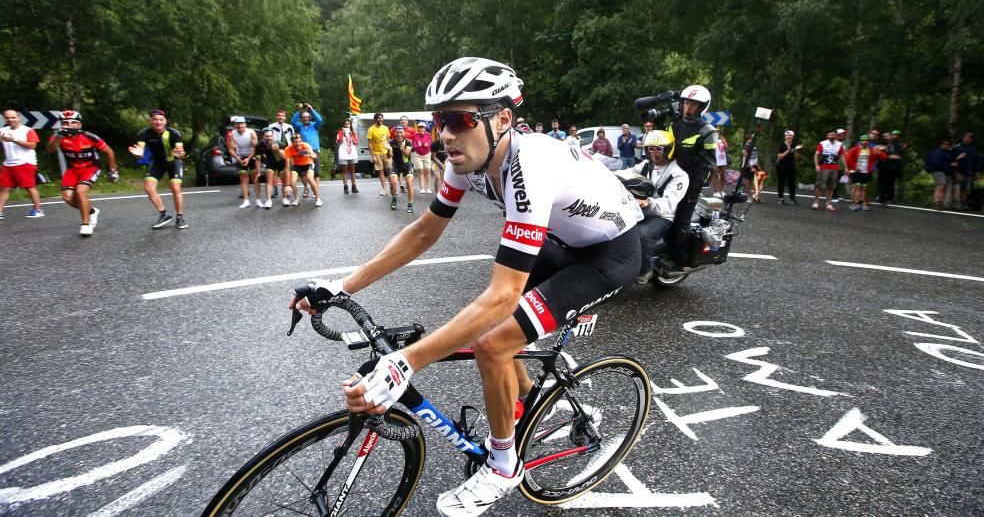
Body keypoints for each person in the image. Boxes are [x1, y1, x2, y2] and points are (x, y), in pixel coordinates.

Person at [292, 56, 642, 517]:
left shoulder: (530, 163)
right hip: (560, 241)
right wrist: (342, 285)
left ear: (502, 119)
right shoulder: (466, 158)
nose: (445, 134)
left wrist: (406, 362)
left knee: (493, 341)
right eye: (440, 120)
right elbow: (424, 231)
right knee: (494, 328)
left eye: (459, 120)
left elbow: (501, 295)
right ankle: (517, 408)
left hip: (609, 252)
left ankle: (503, 466)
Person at [664, 85, 718, 270]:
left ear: (702, 107)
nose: (688, 107)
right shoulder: (674, 125)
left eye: (694, 104)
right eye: (686, 102)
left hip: (689, 185)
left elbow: (707, 165)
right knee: (662, 215)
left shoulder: (708, 131)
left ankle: (677, 261)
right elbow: (665, 151)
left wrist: (694, 191)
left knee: (680, 221)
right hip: (668, 179)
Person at [625, 130, 689, 284]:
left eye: (659, 149)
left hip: (663, 216)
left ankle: (645, 270)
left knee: (642, 234)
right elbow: (628, 173)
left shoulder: (678, 175)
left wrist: (649, 202)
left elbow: (669, 203)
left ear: (668, 149)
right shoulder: (647, 165)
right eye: (651, 149)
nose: (654, 153)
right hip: (641, 210)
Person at [47, 110, 118, 236]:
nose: (69, 125)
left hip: (90, 168)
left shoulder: (89, 136)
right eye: (65, 122)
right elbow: (51, 149)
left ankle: (86, 225)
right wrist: (58, 136)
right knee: (67, 197)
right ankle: (91, 211)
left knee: (80, 191)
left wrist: (112, 170)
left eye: (73, 122)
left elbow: (109, 151)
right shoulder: (58, 136)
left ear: (79, 125)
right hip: (73, 169)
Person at [128, 109, 187, 229]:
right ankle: (163, 214)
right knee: (148, 187)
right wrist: (138, 154)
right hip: (158, 163)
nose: (158, 122)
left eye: (161, 120)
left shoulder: (174, 133)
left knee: (175, 188)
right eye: (155, 119)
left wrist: (179, 154)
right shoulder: (144, 133)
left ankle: (180, 217)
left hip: (173, 162)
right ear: (150, 121)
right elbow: (140, 150)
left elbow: (181, 153)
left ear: (165, 121)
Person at [0, 109, 44, 220]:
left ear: (18, 118)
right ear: (4, 118)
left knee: (29, 187)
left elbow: (32, 145)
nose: (10, 120)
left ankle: (38, 210)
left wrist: (13, 139)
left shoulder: (28, 130)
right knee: (4, 188)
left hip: (25, 162)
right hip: (8, 164)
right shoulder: (2, 130)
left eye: (13, 117)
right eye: (7, 118)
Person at [845, 133, 886, 211]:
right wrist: (854, 167)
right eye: (863, 140)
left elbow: (884, 158)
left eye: (867, 141)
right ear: (860, 141)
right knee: (856, 187)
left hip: (865, 171)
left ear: (869, 142)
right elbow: (848, 159)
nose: (865, 142)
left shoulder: (871, 150)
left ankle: (861, 203)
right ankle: (853, 203)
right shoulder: (855, 149)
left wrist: (879, 152)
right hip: (856, 171)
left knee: (863, 188)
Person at [292, 103, 323, 197]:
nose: (305, 118)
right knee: (303, 172)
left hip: (314, 150)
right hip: (303, 150)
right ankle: (306, 188)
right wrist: (299, 111)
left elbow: (320, 119)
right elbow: (293, 122)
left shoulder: (314, 125)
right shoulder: (300, 126)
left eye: (307, 117)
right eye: (304, 117)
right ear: (302, 118)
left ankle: (315, 190)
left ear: (310, 118)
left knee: (316, 172)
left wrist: (311, 109)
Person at [227, 116, 259, 208]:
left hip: (251, 155)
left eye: (242, 124)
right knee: (243, 177)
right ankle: (246, 200)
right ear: (235, 125)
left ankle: (258, 200)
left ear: (245, 124)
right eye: (238, 124)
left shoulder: (251, 132)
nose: (240, 126)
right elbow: (231, 149)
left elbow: (255, 147)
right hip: (240, 156)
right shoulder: (232, 134)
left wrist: (249, 158)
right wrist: (238, 159)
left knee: (255, 177)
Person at [283, 133, 322, 207]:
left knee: (310, 178)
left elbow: (315, 156)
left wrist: (310, 155)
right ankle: (296, 199)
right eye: (295, 142)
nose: (298, 143)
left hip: (308, 163)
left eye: (299, 141)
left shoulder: (305, 146)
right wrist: (287, 184)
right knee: (292, 180)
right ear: (292, 142)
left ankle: (318, 198)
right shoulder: (288, 149)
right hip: (297, 165)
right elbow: (287, 166)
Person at [813, 129, 847, 211]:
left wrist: (846, 167)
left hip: (834, 167)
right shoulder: (822, 143)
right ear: (827, 136)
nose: (832, 136)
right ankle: (816, 202)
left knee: (831, 187)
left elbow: (842, 156)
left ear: (836, 136)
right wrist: (817, 165)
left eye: (833, 135)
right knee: (820, 185)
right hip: (824, 167)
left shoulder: (839, 144)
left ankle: (828, 203)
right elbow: (816, 154)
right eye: (830, 135)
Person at [267, 109, 296, 197]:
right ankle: (275, 189)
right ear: (276, 116)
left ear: (285, 117)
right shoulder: (271, 126)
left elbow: (293, 138)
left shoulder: (289, 126)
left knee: (287, 169)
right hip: (275, 148)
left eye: (282, 115)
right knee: (275, 170)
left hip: (287, 149)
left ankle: (288, 188)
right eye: (279, 115)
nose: (280, 117)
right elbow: (269, 137)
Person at [253, 128, 285, 209]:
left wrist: (277, 150)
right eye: (266, 136)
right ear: (263, 136)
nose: (269, 138)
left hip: (281, 162)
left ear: (273, 136)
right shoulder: (260, 145)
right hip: (270, 162)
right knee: (268, 179)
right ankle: (268, 200)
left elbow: (284, 157)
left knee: (283, 179)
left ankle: (284, 198)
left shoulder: (278, 143)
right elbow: (258, 159)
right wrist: (258, 172)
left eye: (270, 136)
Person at [388, 125, 415, 213]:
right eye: (397, 132)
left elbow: (407, 154)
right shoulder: (391, 142)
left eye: (401, 132)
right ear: (394, 133)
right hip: (396, 165)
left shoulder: (408, 142)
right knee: (393, 183)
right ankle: (394, 198)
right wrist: (389, 150)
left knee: (409, 183)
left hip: (407, 165)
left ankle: (410, 204)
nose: (399, 134)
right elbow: (389, 156)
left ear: (404, 133)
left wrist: (402, 148)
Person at [876, 129, 906, 204]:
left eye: (888, 135)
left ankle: (889, 197)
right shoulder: (881, 143)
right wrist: (888, 155)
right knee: (882, 182)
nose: (886, 137)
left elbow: (898, 154)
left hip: (892, 167)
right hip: (883, 166)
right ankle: (882, 197)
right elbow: (877, 152)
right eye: (885, 136)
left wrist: (889, 155)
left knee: (890, 182)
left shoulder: (897, 144)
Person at [924, 138, 954, 209]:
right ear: (941, 145)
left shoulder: (946, 152)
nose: (946, 145)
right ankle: (937, 203)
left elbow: (949, 159)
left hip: (941, 171)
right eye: (945, 144)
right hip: (938, 171)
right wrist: (949, 165)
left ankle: (939, 202)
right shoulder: (937, 152)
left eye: (948, 144)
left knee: (942, 187)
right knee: (940, 186)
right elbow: (937, 162)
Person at [952, 132, 979, 210]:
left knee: (966, 189)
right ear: (963, 138)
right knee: (957, 187)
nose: (967, 139)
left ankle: (963, 203)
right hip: (959, 171)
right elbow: (951, 159)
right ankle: (956, 203)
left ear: (971, 140)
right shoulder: (957, 147)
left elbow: (976, 161)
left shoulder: (973, 149)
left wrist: (977, 172)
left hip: (969, 172)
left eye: (969, 138)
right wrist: (958, 158)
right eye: (965, 137)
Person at [367, 112, 392, 196]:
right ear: (375, 120)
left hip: (386, 152)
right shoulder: (371, 129)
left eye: (381, 118)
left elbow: (388, 140)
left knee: (389, 170)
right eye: (378, 118)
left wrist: (390, 150)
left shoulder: (385, 128)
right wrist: (372, 155)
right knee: (380, 171)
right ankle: (384, 189)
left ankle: (392, 187)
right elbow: (370, 143)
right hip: (377, 153)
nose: (380, 119)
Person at [775, 129, 800, 205]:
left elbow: (797, 158)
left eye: (790, 135)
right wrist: (788, 151)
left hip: (791, 166)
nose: (788, 137)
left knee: (792, 183)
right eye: (787, 135)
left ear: (793, 137)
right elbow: (779, 156)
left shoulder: (795, 145)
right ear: (785, 137)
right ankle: (781, 198)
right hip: (781, 166)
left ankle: (792, 198)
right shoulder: (781, 145)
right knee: (781, 182)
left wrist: (795, 151)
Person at [336, 118, 360, 194]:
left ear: (350, 125)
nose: (347, 125)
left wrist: (351, 135)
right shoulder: (340, 132)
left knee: (352, 171)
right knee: (345, 171)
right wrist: (343, 134)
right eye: (345, 124)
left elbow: (356, 143)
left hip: (352, 153)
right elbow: (339, 142)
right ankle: (345, 187)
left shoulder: (353, 133)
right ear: (344, 125)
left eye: (348, 124)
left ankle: (354, 186)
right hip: (343, 153)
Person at [411, 121, 433, 194]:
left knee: (428, 170)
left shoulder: (428, 135)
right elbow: (414, 145)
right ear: (418, 128)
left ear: (425, 128)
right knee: (420, 171)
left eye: (422, 127)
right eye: (420, 127)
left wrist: (423, 144)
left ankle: (428, 188)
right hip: (418, 155)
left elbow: (429, 144)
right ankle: (422, 188)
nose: (421, 129)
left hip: (427, 154)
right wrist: (420, 145)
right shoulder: (415, 135)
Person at [712, 127, 729, 196]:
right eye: (717, 131)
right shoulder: (712, 139)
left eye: (719, 131)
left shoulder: (723, 139)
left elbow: (727, 148)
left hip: (723, 160)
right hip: (715, 159)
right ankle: (715, 191)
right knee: (715, 175)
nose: (718, 132)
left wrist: (723, 141)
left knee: (723, 176)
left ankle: (721, 190)